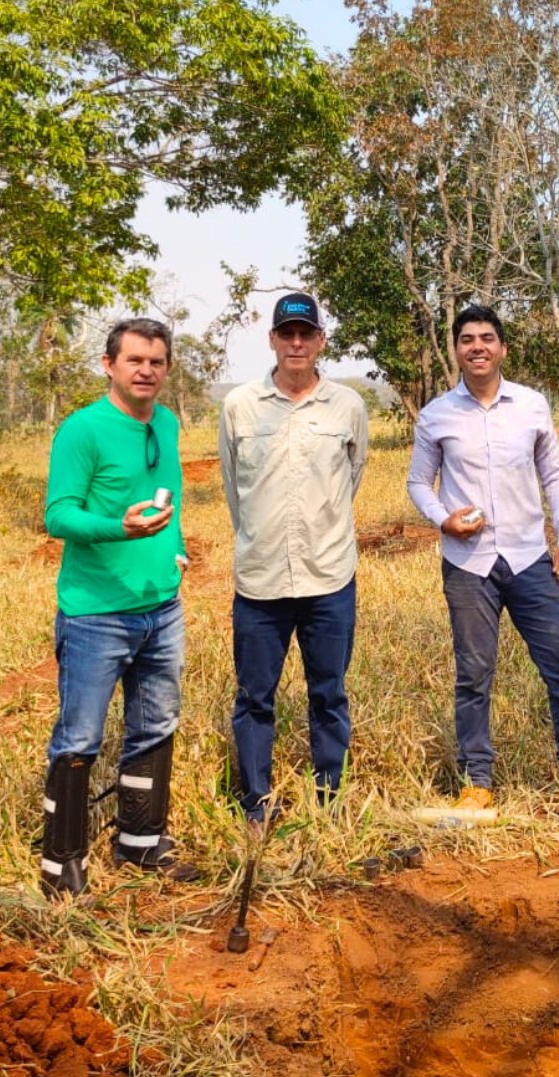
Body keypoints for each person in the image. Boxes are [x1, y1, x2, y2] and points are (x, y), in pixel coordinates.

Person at [407, 304, 559, 810]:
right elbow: (419, 481)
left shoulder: (531, 405)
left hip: (530, 558)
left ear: (502, 348)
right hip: (468, 564)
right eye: (467, 339)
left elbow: (554, 475)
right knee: (474, 674)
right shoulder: (437, 414)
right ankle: (477, 782)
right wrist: (443, 518)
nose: (477, 346)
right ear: (457, 350)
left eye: (487, 337)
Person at [42, 318, 196, 897]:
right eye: (134, 360)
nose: (146, 371)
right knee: (79, 738)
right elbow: (58, 514)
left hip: (162, 608)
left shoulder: (167, 422)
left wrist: (174, 548)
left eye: (156, 362)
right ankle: (62, 866)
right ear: (109, 365)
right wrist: (119, 528)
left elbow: (170, 497)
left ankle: (140, 840)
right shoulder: (82, 430)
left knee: (155, 725)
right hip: (94, 614)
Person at [219, 292, 368, 823]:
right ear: (274, 340)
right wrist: (262, 537)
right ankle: (254, 802)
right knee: (255, 697)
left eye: (307, 333)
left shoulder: (347, 406)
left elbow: (351, 479)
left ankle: (329, 799)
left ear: (321, 340)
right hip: (260, 583)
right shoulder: (239, 405)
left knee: (328, 693)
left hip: (329, 577)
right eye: (288, 334)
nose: (298, 343)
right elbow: (235, 489)